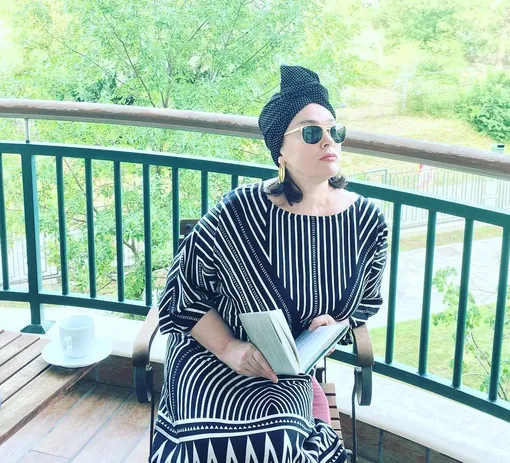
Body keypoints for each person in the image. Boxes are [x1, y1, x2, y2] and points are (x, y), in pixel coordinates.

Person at [153, 65, 388, 462]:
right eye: (311, 132)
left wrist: (335, 325)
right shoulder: (238, 212)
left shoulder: (367, 223)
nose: (328, 140)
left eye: (335, 130)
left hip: (286, 374)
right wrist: (229, 347)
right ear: (281, 151)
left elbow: (364, 304)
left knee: (276, 443)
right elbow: (181, 293)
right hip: (211, 356)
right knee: (209, 445)